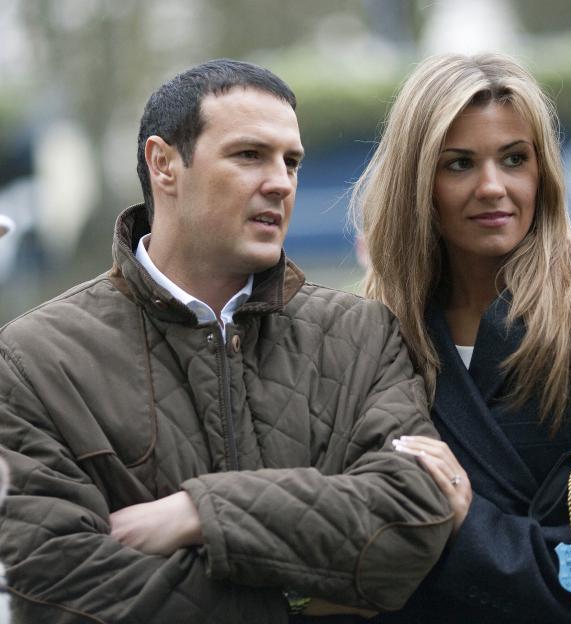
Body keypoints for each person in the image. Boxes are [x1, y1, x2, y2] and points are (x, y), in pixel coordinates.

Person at [0, 59, 454, 623]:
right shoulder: (34, 359)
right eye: (249, 155)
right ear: (164, 164)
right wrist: (304, 598)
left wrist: (200, 513)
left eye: (291, 161)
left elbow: (409, 520)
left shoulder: (363, 334)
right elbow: (54, 584)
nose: (280, 182)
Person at [352, 53, 571, 623]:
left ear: (542, 172)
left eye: (514, 159)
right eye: (458, 164)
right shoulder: (373, 330)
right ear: (416, 182)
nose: (492, 187)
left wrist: (474, 532)